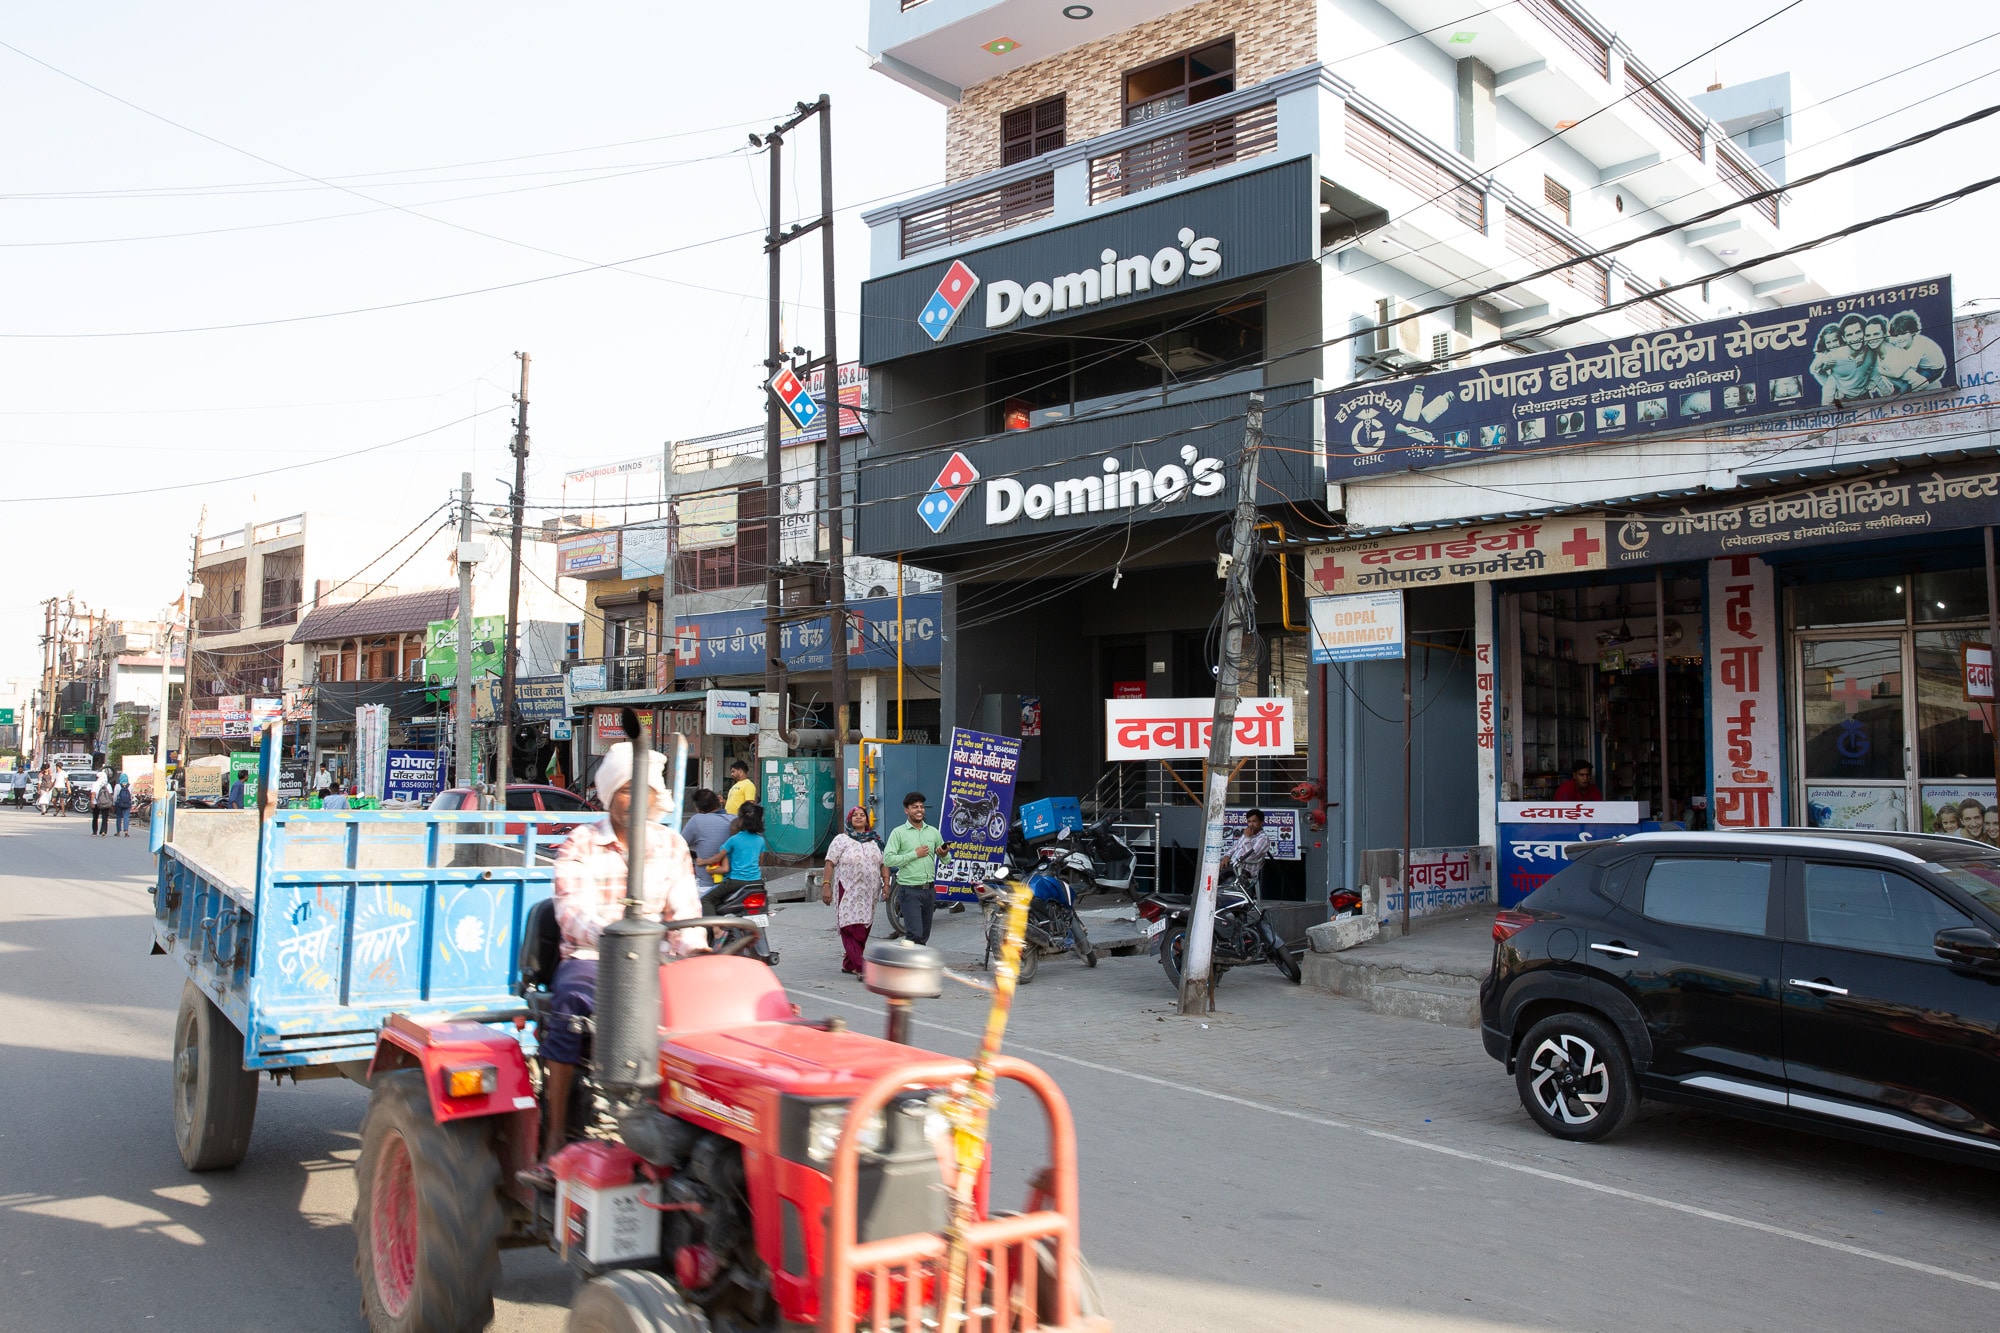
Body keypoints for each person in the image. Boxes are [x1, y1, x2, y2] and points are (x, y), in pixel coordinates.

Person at [541, 740, 705, 1161]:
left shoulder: (672, 845)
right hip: (593, 958)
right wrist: (623, 941)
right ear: (609, 795)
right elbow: (573, 915)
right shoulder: (579, 844)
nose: (635, 801)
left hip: (660, 959)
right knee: (572, 1001)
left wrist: (694, 953)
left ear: (656, 799)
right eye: (626, 790)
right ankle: (555, 1133)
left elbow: (685, 911)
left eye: (644, 791)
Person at [822, 806, 888, 975]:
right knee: (849, 926)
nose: (859, 818)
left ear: (867, 820)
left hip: (870, 892)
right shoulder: (841, 839)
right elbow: (829, 863)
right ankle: (861, 967)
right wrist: (826, 885)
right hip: (848, 889)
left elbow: (883, 864)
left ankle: (849, 963)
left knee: (864, 927)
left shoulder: (875, 841)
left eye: (862, 815)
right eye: (855, 815)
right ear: (850, 819)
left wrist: (886, 884)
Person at [882, 791, 943, 946]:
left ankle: (916, 965)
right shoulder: (898, 833)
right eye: (914, 807)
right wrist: (914, 854)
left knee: (924, 935)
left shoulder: (933, 832)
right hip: (909, 890)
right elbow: (888, 859)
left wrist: (944, 854)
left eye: (921, 807)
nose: (919, 810)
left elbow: (946, 859)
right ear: (906, 810)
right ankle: (907, 965)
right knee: (914, 933)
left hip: (929, 890)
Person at [702, 802, 766, 908]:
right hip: (757, 881)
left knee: (706, 900)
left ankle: (715, 925)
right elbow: (760, 862)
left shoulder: (733, 840)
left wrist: (703, 862)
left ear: (741, 820)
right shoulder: (760, 840)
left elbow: (717, 858)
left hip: (736, 881)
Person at [1879, 311, 1947, 393]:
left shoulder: (1917, 347)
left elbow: (1899, 374)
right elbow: (1889, 340)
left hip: (1933, 369)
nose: (1899, 338)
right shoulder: (1901, 340)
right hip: (1921, 363)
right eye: (1896, 335)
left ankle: (1911, 393)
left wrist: (1881, 372)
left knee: (1913, 384)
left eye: (1903, 333)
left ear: (1912, 332)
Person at [680, 789, 732, 887]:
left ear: (699, 809)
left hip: (706, 885)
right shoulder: (734, 820)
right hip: (734, 883)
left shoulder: (697, 820)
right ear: (718, 801)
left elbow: (680, 845)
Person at [1220, 808, 1275, 890]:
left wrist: (1247, 838)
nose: (1251, 824)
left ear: (1261, 823)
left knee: (1224, 886)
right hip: (1232, 866)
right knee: (1210, 876)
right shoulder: (1247, 834)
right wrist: (1227, 856)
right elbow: (1234, 847)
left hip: (1244, 870)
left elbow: (1251, 856)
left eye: (1254, 821)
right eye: (1249, 821)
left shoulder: (1263, 838)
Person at [90, 770, 115, 836]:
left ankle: (94, 832)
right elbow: (110, 795)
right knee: (105, 818)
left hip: (96, 802)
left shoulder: (95, 784)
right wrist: (111, 803)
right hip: (105, 803)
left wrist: (92, 802)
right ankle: (103, 831)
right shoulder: (108, 784)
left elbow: (93, 793)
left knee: (95, 817)